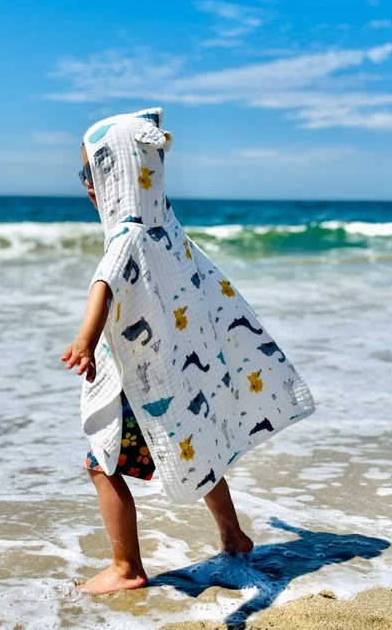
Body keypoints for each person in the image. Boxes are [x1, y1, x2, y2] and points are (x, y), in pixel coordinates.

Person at [62, 108, 315, 594]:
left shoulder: (127, 232)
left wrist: (86, 341)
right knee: (192, 445)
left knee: (101, 464)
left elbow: (105, 283)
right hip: (170, 373)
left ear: (117, 173)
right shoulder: (167, 229)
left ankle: (126, 568)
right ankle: (234, 535)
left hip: (137, 379)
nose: (86, 185)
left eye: (91, 172)